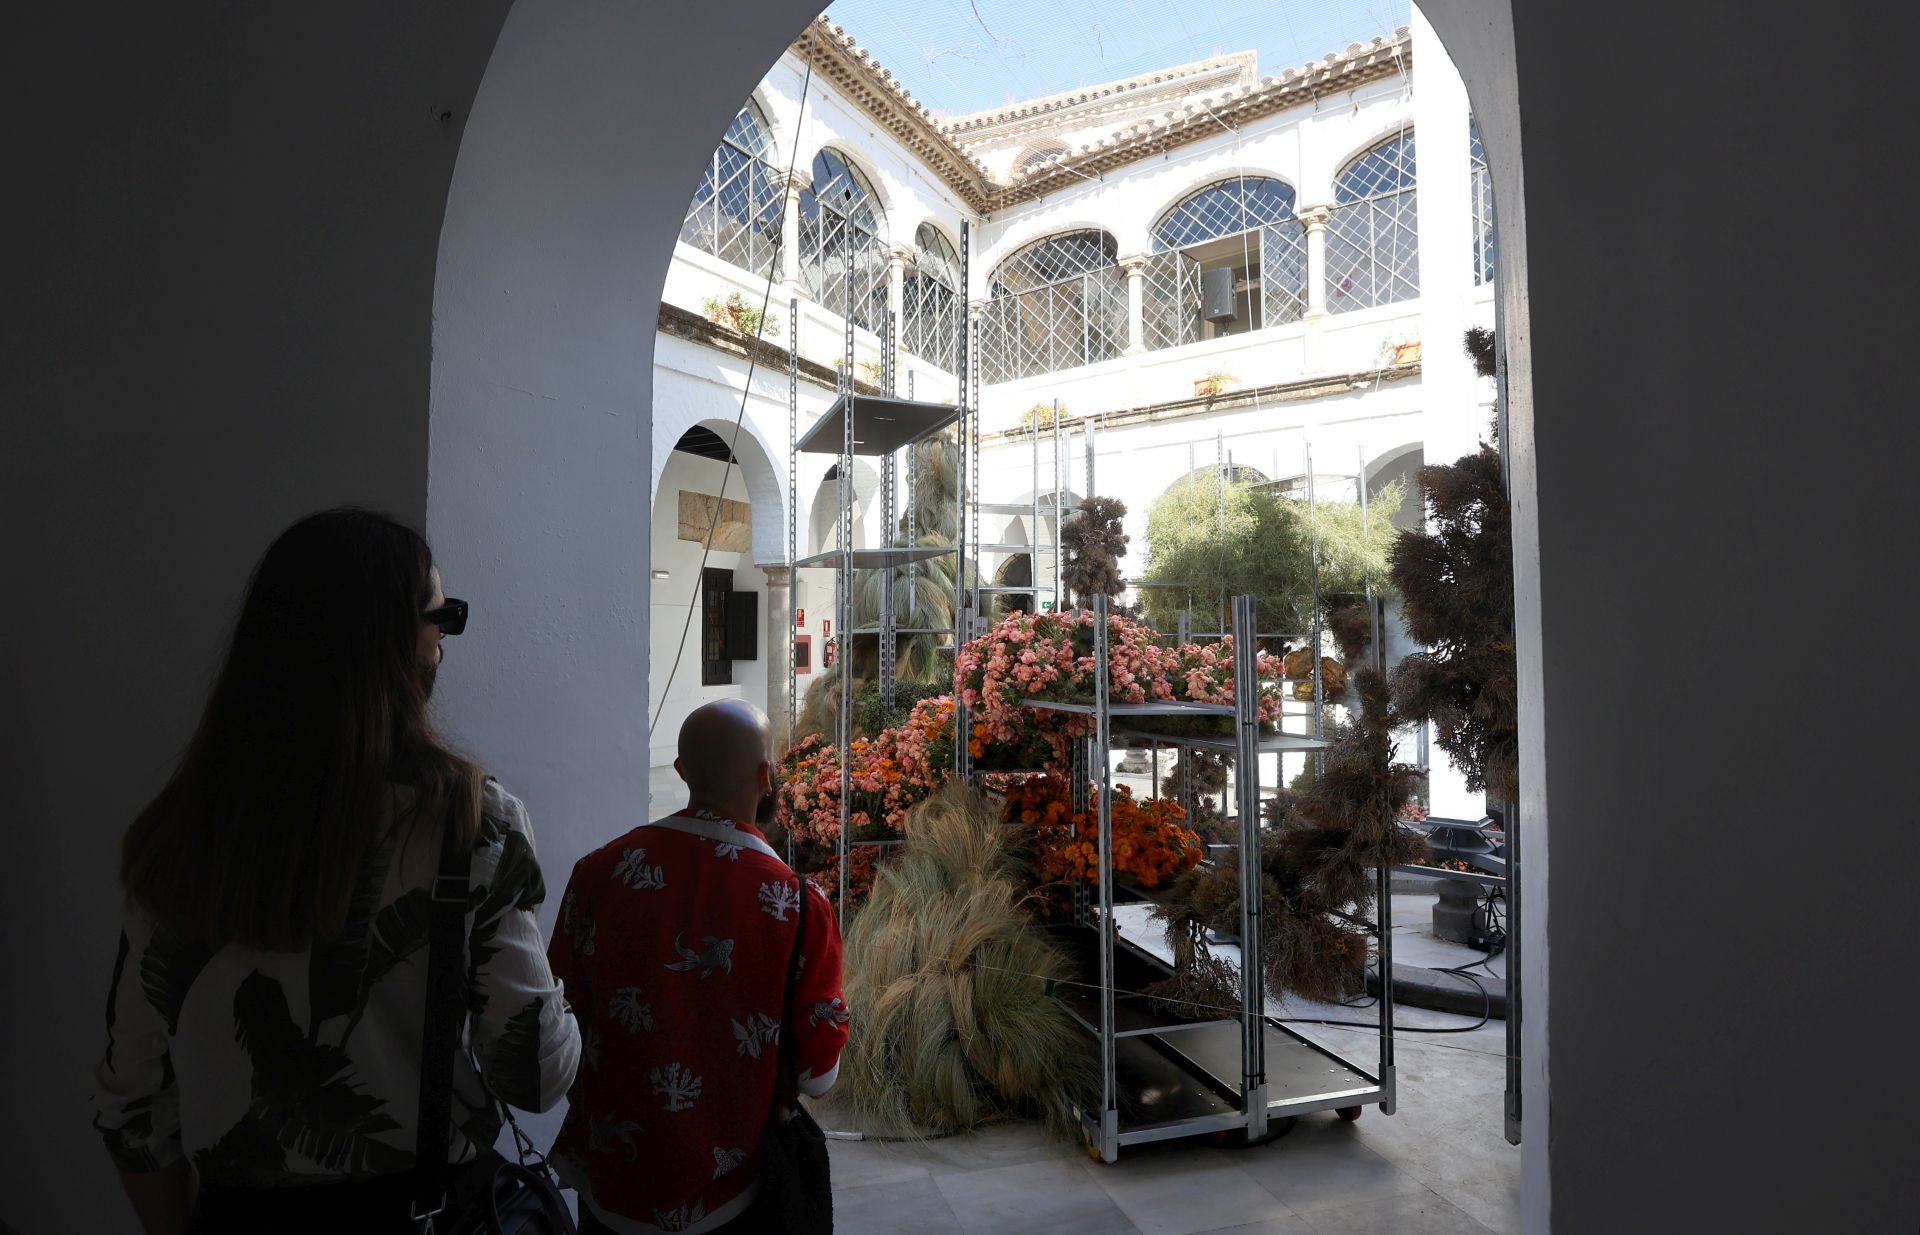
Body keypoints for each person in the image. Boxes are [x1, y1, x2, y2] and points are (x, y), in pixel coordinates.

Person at [91, 508, 581, 1235]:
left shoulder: (179, 833)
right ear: (390, 643)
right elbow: (535, 1075)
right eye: (437, 618)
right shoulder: (470, 822)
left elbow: (130, 1106)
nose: (442, 644)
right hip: (429, 1212)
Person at [549, 700, 849, 1235]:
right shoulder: (796, 904)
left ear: (682, 772)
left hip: (610, 1192)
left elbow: (559, 1022)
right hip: (735, 1199)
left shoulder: (596, 874)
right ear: (766, 777)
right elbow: (817, 1078)